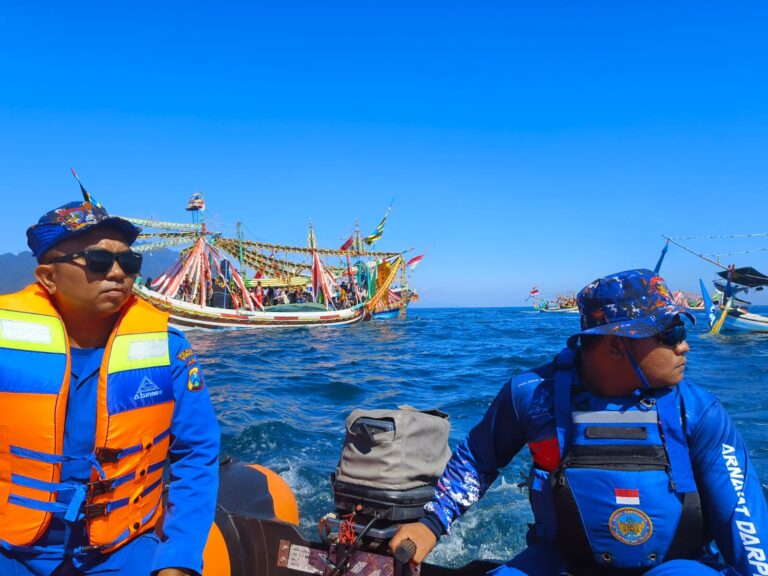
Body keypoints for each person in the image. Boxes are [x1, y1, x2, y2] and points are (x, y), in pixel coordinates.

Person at [390, 269, 768, 576]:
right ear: (617, 344)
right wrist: (431, 524)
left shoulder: (697, 412)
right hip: (561, 561)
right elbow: (478, 459)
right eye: (670, 332)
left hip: (676, 567)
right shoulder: (534, 397)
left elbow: (743, 524)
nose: (684, 345)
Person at [0, 196, 220, 576]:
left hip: (124, 548)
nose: (118, 273)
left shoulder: (168, 351)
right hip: (13, 549)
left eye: (129, 261)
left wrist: (179, 559)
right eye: (99, 261)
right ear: (48, 277)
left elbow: (197, 453)